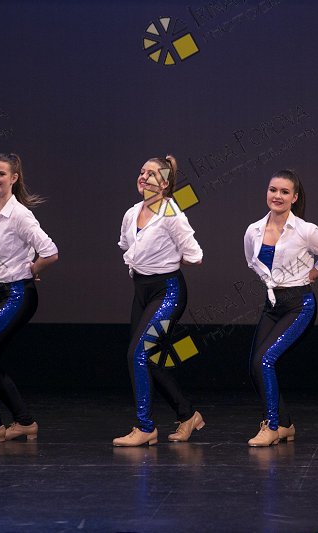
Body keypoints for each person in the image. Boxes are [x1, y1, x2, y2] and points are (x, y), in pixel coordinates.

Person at [0, 153, 59, 444]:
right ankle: (25, 422)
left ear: (14, 178)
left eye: (1, 174)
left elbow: (50, 252)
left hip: (18, 295)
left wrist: (31, 270)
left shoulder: (19, 215)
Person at [244, 169, 318, 446]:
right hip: (272, 304)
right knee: (255, 366)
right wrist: (272, 282)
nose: (277, 196)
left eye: (285, 192)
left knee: (264, 361)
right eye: (273, 190)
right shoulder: (253, 230)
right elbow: (252, 261)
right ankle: (285, 424)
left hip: (299, 305)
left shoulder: (305, 230)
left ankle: (272, 426)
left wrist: (311, 275)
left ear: (294, 197)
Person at [113, 155, 204, 446]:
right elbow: (127, 245)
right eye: (142, 171)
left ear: (164, 184)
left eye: (151, 174)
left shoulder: (172, 213)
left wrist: (168, 259)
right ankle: (187, 415)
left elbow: (195, 256)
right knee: (148, 359)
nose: (143, 176)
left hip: (167, 292)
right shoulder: (131, 213)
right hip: (141, 292)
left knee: (136, 354)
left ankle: (145, 428)